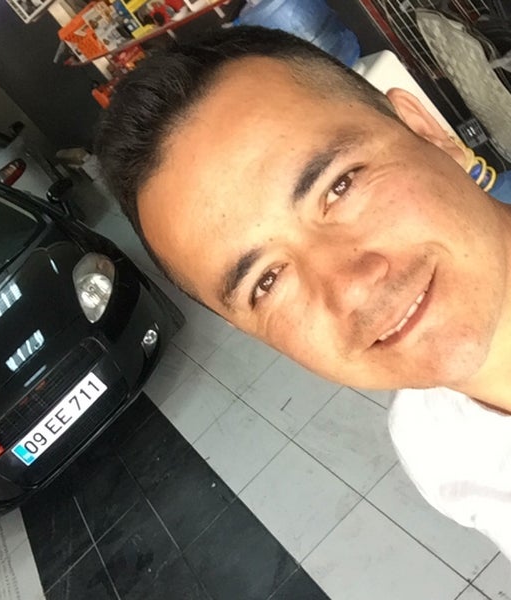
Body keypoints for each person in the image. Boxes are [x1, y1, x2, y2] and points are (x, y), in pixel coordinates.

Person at [95, 26, 511, 558]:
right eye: (266, 282)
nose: (350, 287)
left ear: (426, 130)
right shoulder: (434, 448)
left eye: (339, 185)